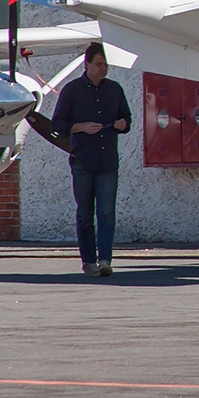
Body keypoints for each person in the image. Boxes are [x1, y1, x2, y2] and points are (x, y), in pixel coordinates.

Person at [51, 42, 131, 277]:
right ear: (86, 64)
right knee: (85, 213)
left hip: (108, 162)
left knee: (106, 213)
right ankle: (88, 260)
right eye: (98, 64)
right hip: (83, 161)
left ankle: (105, 259)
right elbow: (57, 125)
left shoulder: (114, 89)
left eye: (106, 64)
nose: (103, 69)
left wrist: (123, 124)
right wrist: (81, 127)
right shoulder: (72, 90)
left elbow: (126, 117)